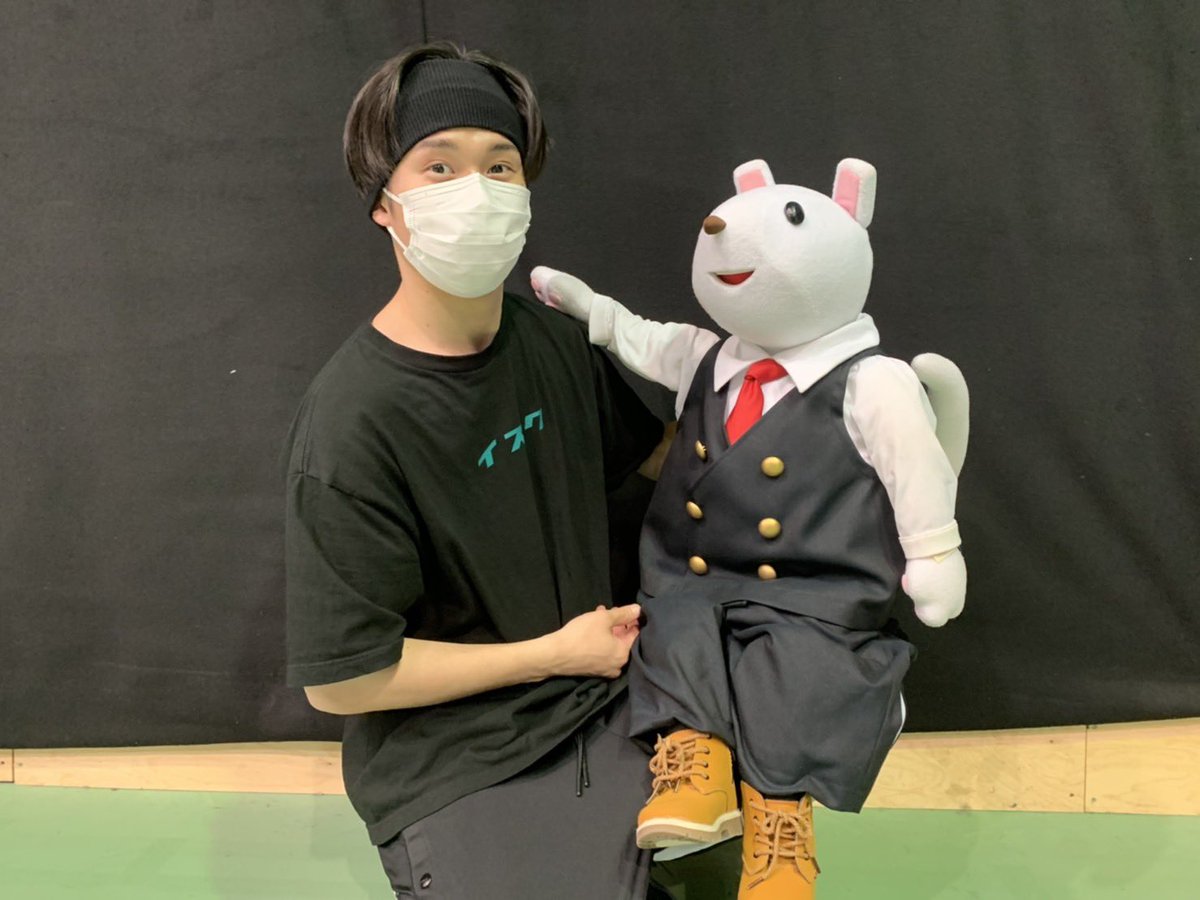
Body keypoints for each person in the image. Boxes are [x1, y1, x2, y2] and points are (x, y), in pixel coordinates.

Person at [280, 42, 694, 898]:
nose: (477, 189)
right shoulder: (354, 421)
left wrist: (806, 422)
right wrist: (550, 655)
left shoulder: (554, 342)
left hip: (608, 699)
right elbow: (344, 680)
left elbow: (661, 456)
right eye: (439, 165)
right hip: (459, 752)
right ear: (385, 203)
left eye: (499, 165)